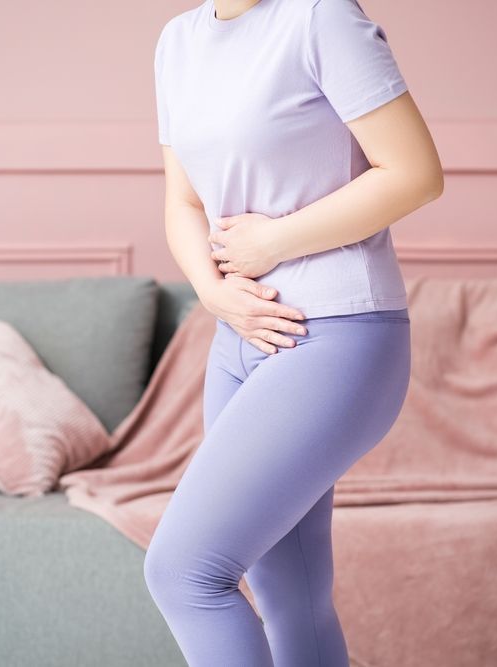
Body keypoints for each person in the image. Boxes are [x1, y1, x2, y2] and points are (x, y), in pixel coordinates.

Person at [143, 1, 444, 664]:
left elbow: (417, 172)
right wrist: (213, 287)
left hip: (338, 333)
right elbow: (183, 201)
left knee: (184, 572)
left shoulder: (319, 17)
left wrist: (271, 242)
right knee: (289, 593)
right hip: (237, 339)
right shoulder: (177, 42)